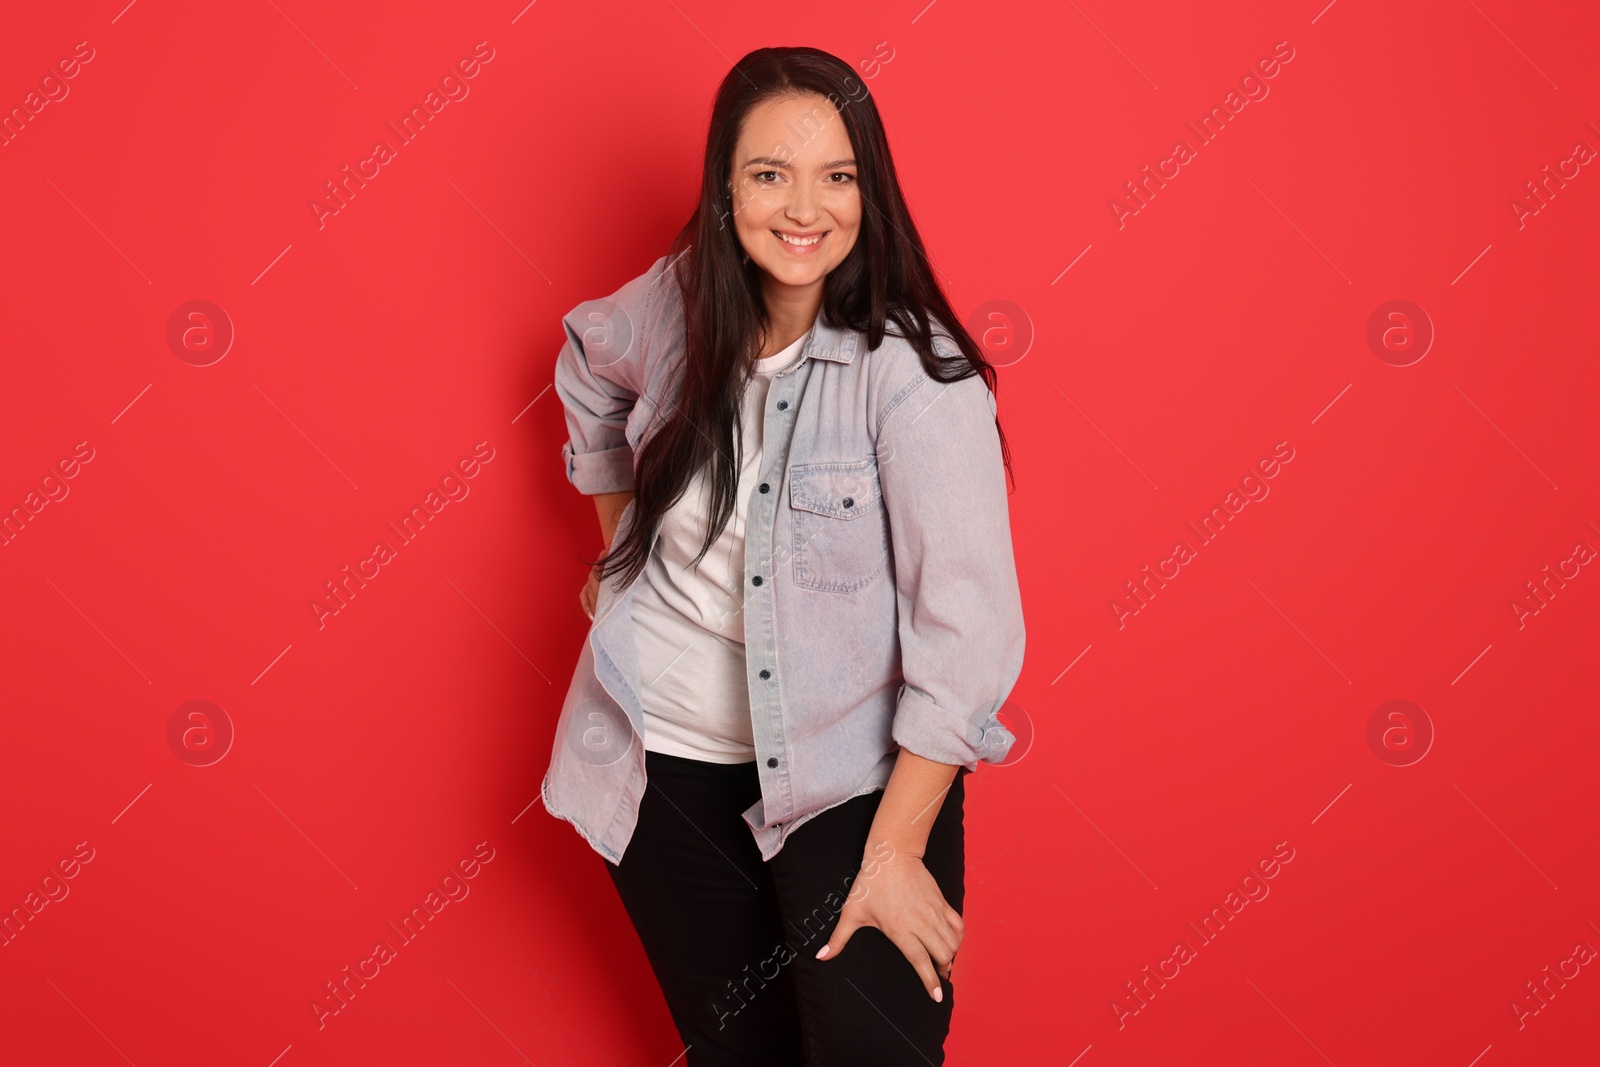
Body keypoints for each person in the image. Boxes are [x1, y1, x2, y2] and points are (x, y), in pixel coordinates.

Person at [541, 44, 1025, 1066]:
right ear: (726, 188)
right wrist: (619, 541)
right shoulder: (678, 305)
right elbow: (588, 359)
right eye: (770, 174)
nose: (804, 208)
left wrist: (894, 850)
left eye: (836, 176)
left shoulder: (915, 380)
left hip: (848, 783)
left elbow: (969, 639)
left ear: (869, 189)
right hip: (658, 763)